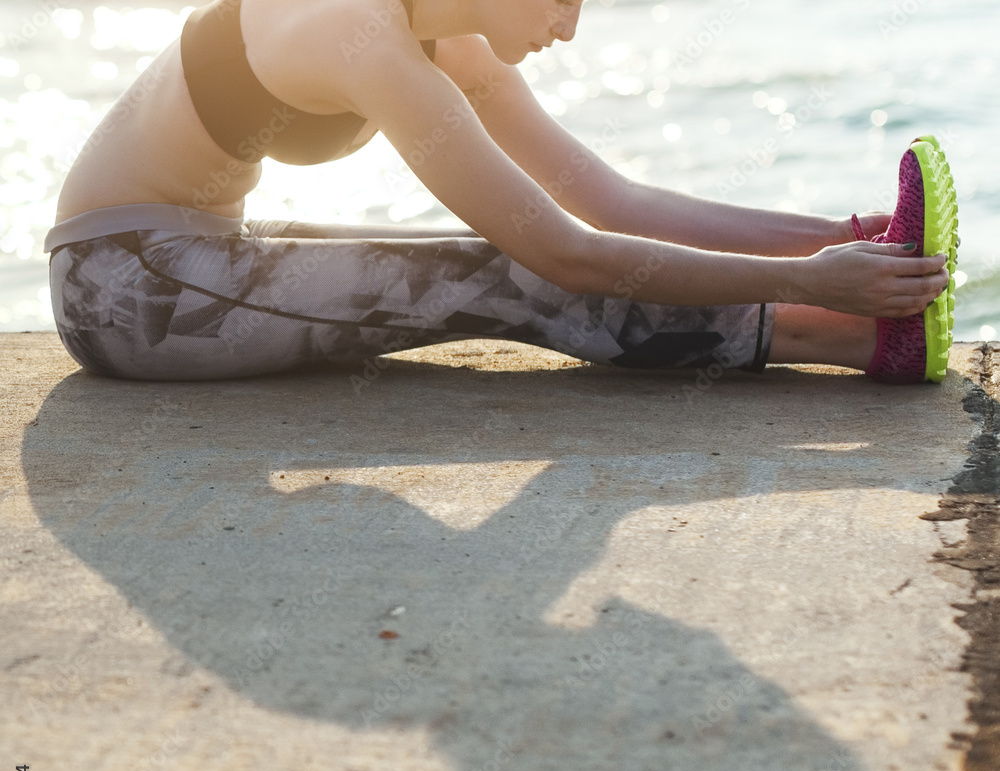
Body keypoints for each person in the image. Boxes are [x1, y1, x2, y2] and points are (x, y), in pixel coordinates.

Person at [45, 0, 957, 384]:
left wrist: (835, 240)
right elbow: (562, 251)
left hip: (201, 249)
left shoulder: (452, 43)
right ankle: (841, 338)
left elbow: (613, 200)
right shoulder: (353, 31)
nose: (568, 25)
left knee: (489, 258)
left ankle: (860, 298)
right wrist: (811, 285)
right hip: (124, 290)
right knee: (507, 274)